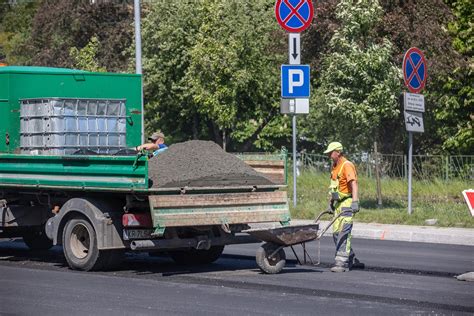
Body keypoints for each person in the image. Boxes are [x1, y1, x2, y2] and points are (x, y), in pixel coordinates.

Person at [323, 141, 361, 272]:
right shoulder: (334, 166)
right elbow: (333, 188)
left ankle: (342, 263)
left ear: (338, 152)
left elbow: (354, 184)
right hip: (338, 204)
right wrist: (330, 204)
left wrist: (355, 202)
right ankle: (349, 257)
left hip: (347, 203)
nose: (328, 155)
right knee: (335, 233)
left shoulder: (347, 165)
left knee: (344, 232)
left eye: (330, 153)